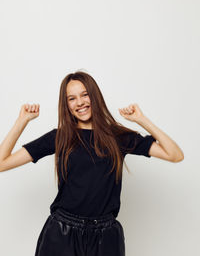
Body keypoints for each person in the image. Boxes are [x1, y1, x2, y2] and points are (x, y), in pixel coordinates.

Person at [0, 71, 184, 256]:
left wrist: (141, 120)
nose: (79, 102)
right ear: (67, 105)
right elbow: (2, 163)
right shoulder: (60, 137)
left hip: (106, 238)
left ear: (95, 96)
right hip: (62, 234)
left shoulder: (119, 137)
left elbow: (175, 155)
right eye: (71, 98)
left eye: (85, 94)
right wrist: (21, 121)